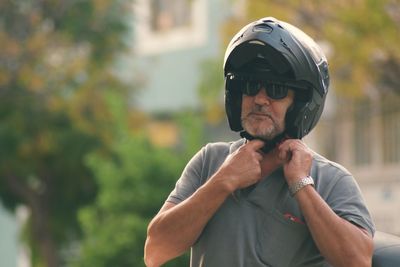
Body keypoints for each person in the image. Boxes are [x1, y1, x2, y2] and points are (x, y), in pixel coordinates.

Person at [144, 17, 375, 267]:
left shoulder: (330, 179)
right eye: (251, 86)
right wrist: (223, 181)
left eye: (276, 89)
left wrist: (301, 185)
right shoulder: (210, 161)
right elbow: (155, 251)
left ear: (299, 105)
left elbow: (358, 261)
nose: (260, 99)